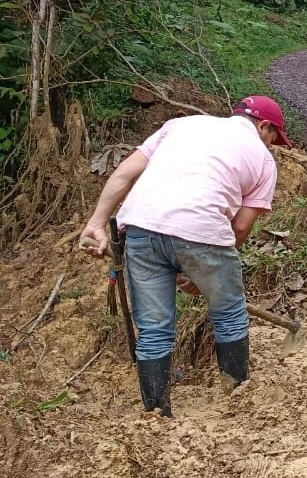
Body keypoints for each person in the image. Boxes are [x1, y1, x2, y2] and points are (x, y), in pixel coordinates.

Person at [78, 96, 291, 417]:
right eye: (274, 136)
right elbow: (241, 226)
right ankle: (237, 401)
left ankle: (156, 414)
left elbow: (124, 174)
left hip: (141, 228)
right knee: (229, 314)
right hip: (204, 232)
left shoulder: (180, 126)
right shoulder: (262, 159)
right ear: (264, 126)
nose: (273, 144)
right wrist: (202, 272)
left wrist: (96, 223)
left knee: (153, 329)